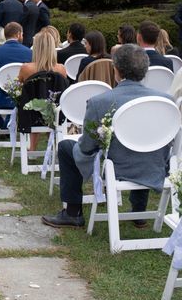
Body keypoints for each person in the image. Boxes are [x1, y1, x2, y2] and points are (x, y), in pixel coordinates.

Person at [42, 44, 173, 229]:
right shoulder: (165, 101)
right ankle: (138, 213)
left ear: (117, 70)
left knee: (66, 147)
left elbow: (87, 146)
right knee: (144, 142)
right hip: (154, 164)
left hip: (117, 168)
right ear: (145, 70)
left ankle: (73, 213)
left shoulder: (100, 102)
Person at [18, 30, 67, 150]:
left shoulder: (26, 68)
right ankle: (52, 145)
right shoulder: (61, 69)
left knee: (32, 101)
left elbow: (19, 89)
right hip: (54, 114)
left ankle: (32, 147)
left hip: (30, 114)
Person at [0, 22, 32, 125]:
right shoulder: (29, 52)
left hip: (1, 96)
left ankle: (4, 125)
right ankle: (8, 124)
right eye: (22, 34)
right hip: (24, 97)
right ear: (18, 34)